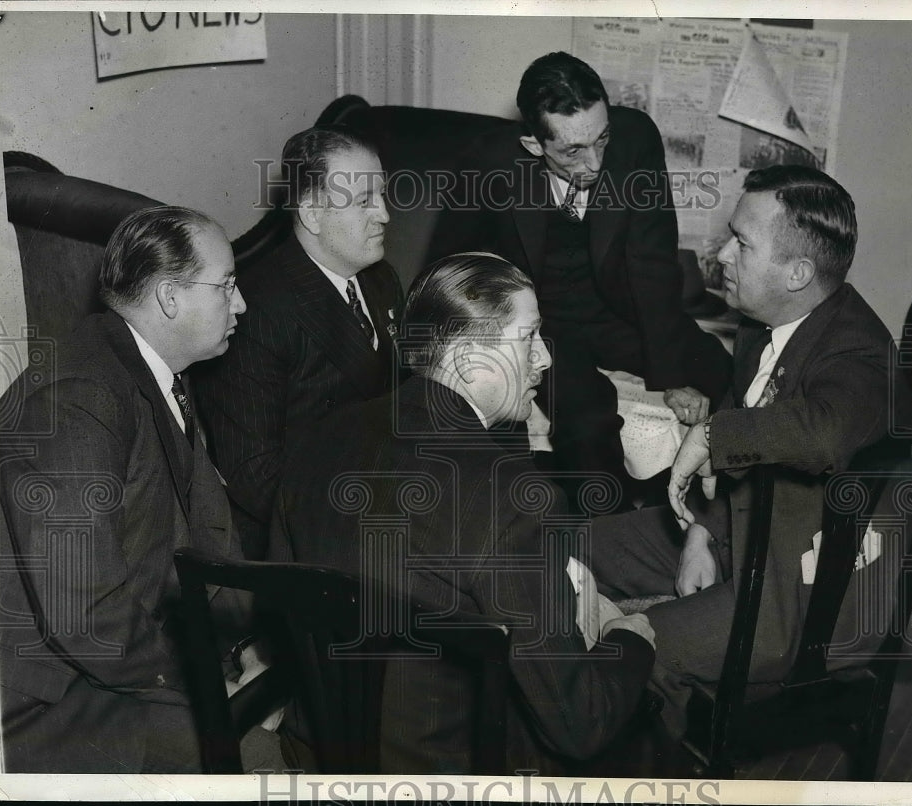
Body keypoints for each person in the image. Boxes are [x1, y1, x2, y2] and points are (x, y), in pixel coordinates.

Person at [269, 253, 656, 775]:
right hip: (447, 773)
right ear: (470, 356)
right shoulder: (510, 494)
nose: (544, 358)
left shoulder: (319, 437)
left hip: (319, 749)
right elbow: (578, 724)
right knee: (639, 723)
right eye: (529, 337)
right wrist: (631, 636)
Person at [588, 165, 912, 738]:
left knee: (626, 655)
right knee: (562, 550)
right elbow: (748, 429)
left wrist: (715, 435)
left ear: (798, 273)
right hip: (742, 532)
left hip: (807, 599)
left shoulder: (861, 355)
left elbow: (818, 434)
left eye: (742, 242)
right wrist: (700, 534)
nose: (722, 255)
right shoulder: (761, 325)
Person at [0, 206, 260, 772]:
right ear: (169, 298)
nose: (240, 304)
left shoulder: (158, 373)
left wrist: (244, 647)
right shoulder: (76, 400)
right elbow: (82, 615)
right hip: (50, 701)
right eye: (228, 286)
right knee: (242, 759)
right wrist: (206, 684)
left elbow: (207, 532)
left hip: (112, 663)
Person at [427, 51, 731, 511]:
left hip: (615, 310)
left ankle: (723, 524)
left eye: (601, 139)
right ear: (534, 145)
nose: (594, 163)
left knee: (727, 370)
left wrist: (671, 376)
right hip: (541, 326)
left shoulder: (635, 139)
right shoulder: (486, 162)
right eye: (572, 151)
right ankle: (606, 542)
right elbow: (451, 270)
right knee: (587, 420)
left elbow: (652, 262)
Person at [195, 125, 404, 558]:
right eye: (364, 201)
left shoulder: (382, 279)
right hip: (310, 538)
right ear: (311, 214)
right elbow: (253, 475)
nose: (384, 214)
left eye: (381, 196)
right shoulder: (257, 311)